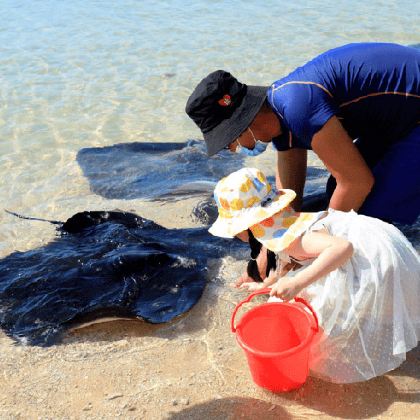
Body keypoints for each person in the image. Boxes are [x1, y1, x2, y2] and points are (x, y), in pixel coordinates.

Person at [208, 167, 420, 383]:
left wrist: (299, 282)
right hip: (373, 248)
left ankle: (381, 341)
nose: (235, 234)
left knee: (360, 311)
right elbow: (287, 264)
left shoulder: (298, 239)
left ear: (251, 225)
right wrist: (264, 286)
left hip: (376, 264)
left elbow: (342, 248)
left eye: (235, 229)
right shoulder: (283, 227)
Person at [185, 42, 420, 225]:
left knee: (369, 209)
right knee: (335, 194)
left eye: (229, 142)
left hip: (412, 114)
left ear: (243, 123)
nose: (233, 149)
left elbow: (356, 182)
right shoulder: (280, 110)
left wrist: (320, 239)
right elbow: (289, 198)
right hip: (400, 118)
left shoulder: (299, 107)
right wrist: (277, 242)